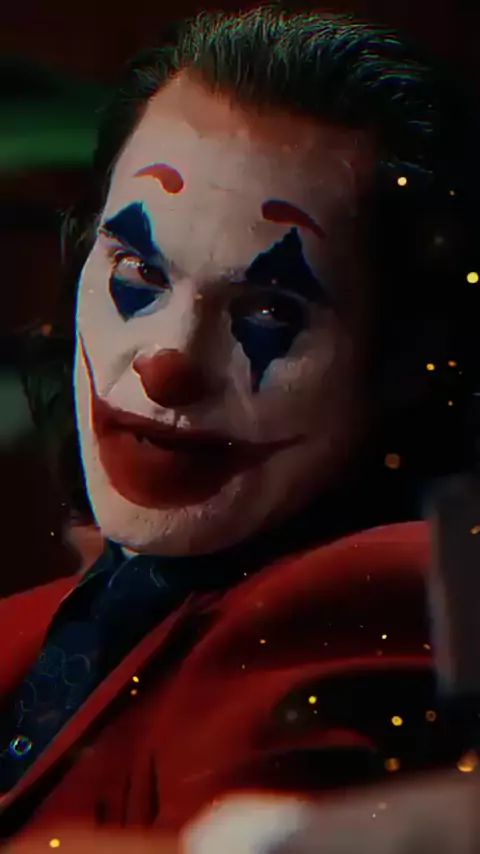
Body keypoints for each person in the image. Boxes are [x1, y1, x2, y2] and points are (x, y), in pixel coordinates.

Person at [2, 4, 480, 850]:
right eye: (138, 272)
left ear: (405, 360)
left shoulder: (360, 595)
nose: (167, 362)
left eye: (268, 309)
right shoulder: (36, 625)